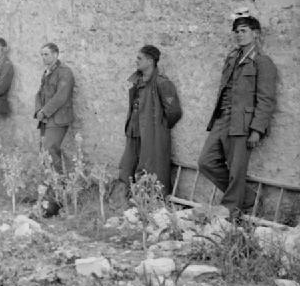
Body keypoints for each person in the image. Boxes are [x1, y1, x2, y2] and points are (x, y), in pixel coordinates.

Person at [197, 13, 278, 218]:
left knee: (236, 169)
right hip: (223, 119)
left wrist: (257, 130)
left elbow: (266, 99)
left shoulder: (262, 62)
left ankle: (229, 208)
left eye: (244, 31)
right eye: (237, 32)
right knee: (206, 161)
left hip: (243, 123)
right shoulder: (232, 58)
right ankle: (247, 198)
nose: (239, 35)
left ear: (256, 34)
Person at [117, 45, 183, 194]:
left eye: (139, 58)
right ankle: (124, 201)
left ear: (150, 61)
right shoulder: (137, 80)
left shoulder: (162, 83)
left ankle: (147, 204)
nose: (136, 61)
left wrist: (159, 127)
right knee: (126, 166)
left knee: (149, 168)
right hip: (133, 132)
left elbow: (174, 111)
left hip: (151, 134)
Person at [34, 43, 75, 173]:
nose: (43, 58)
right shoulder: (47, 72)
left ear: (56, 55)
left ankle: (60, 185)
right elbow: (39, 94)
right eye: (42, 55)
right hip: (45, 118)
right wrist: (38, 111)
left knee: (50, 150)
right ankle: (50, 185)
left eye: (46, 54)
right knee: (44, 152)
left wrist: (44, 111)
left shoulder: (65, 72)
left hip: (58, 118)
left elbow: (61, 96)